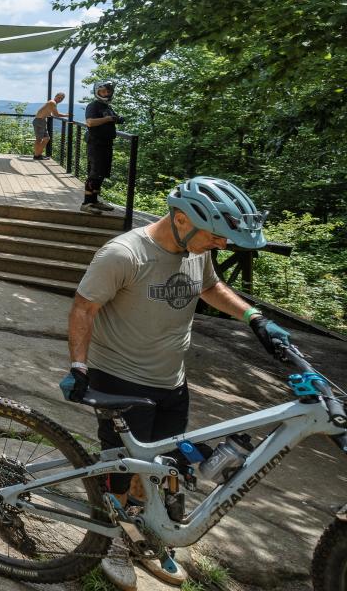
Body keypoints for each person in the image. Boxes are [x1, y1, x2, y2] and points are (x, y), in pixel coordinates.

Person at [59, 176, 290, 590]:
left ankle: (145, 535)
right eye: (215, 236)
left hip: (171, 380)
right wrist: (79, 366)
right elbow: (84, 308)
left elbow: (210, 287)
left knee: (163, 467)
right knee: (121, 469)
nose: (221, 245)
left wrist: (254, 317)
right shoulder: (124, 254)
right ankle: (111, 541)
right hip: (121, 379)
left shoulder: (196, 248)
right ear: (181, 219)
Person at [82, 82, 121, 212]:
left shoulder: (107, 106)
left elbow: (111, 118)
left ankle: (95, 201)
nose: (106, 94)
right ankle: (86, 203)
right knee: (94, 173)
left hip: (106, 143)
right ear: (97, 92)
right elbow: (90, 122)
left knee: (101, 174)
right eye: (103, 91)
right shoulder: (93, 105)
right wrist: (108, 119)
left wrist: (117, 119)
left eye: (107, 91)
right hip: (96, 144)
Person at [32, 91, 68, 160]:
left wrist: (49, 114)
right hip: (39, 121)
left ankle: (38, 154)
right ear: (55, 96)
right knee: (39, 139)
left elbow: (48, 111)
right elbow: (56, 114)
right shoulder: (52, 102)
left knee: (46, 138)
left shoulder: (52, 103)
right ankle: (36, 156)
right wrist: (67, 115)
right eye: (59, 97)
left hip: (41, 121)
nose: (60, 99)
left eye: (62, 99)